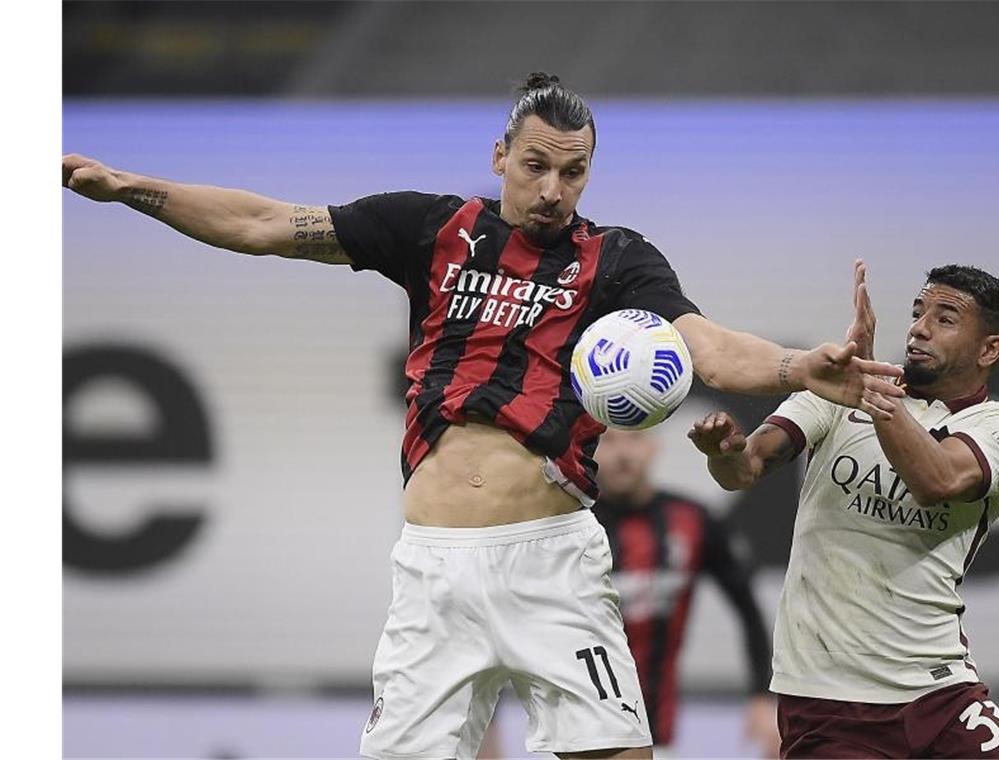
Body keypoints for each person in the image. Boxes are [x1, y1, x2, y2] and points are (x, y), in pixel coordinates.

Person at [62, 73, 903, 760]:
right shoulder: (430, 228)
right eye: (535, 165)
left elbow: (706, 349)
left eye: (573, 173)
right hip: (432, 572)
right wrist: (136, 189)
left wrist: (798, 366)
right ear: (500, 155)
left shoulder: (616, 260)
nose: (552, 189)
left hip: (553, 562)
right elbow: (266, 223)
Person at [689, 262, 999, 759]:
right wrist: (722, 452)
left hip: (940, 690)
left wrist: (871, 394)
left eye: (944, 318)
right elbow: (746, 469)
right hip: (829, 698)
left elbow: (937, 480)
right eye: (918, 312)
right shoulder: (835, 394)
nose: (919, 327)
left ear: (989, 349)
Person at [592, 428, 782, 757]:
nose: (622, 453)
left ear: (653, 445)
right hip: (573, 733)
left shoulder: (691, 520)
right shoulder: (570, 526)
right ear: (589, 449)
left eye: (633, 438)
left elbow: (748, 609)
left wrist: (762, 697)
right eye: (608, 441)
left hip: (657, 733)